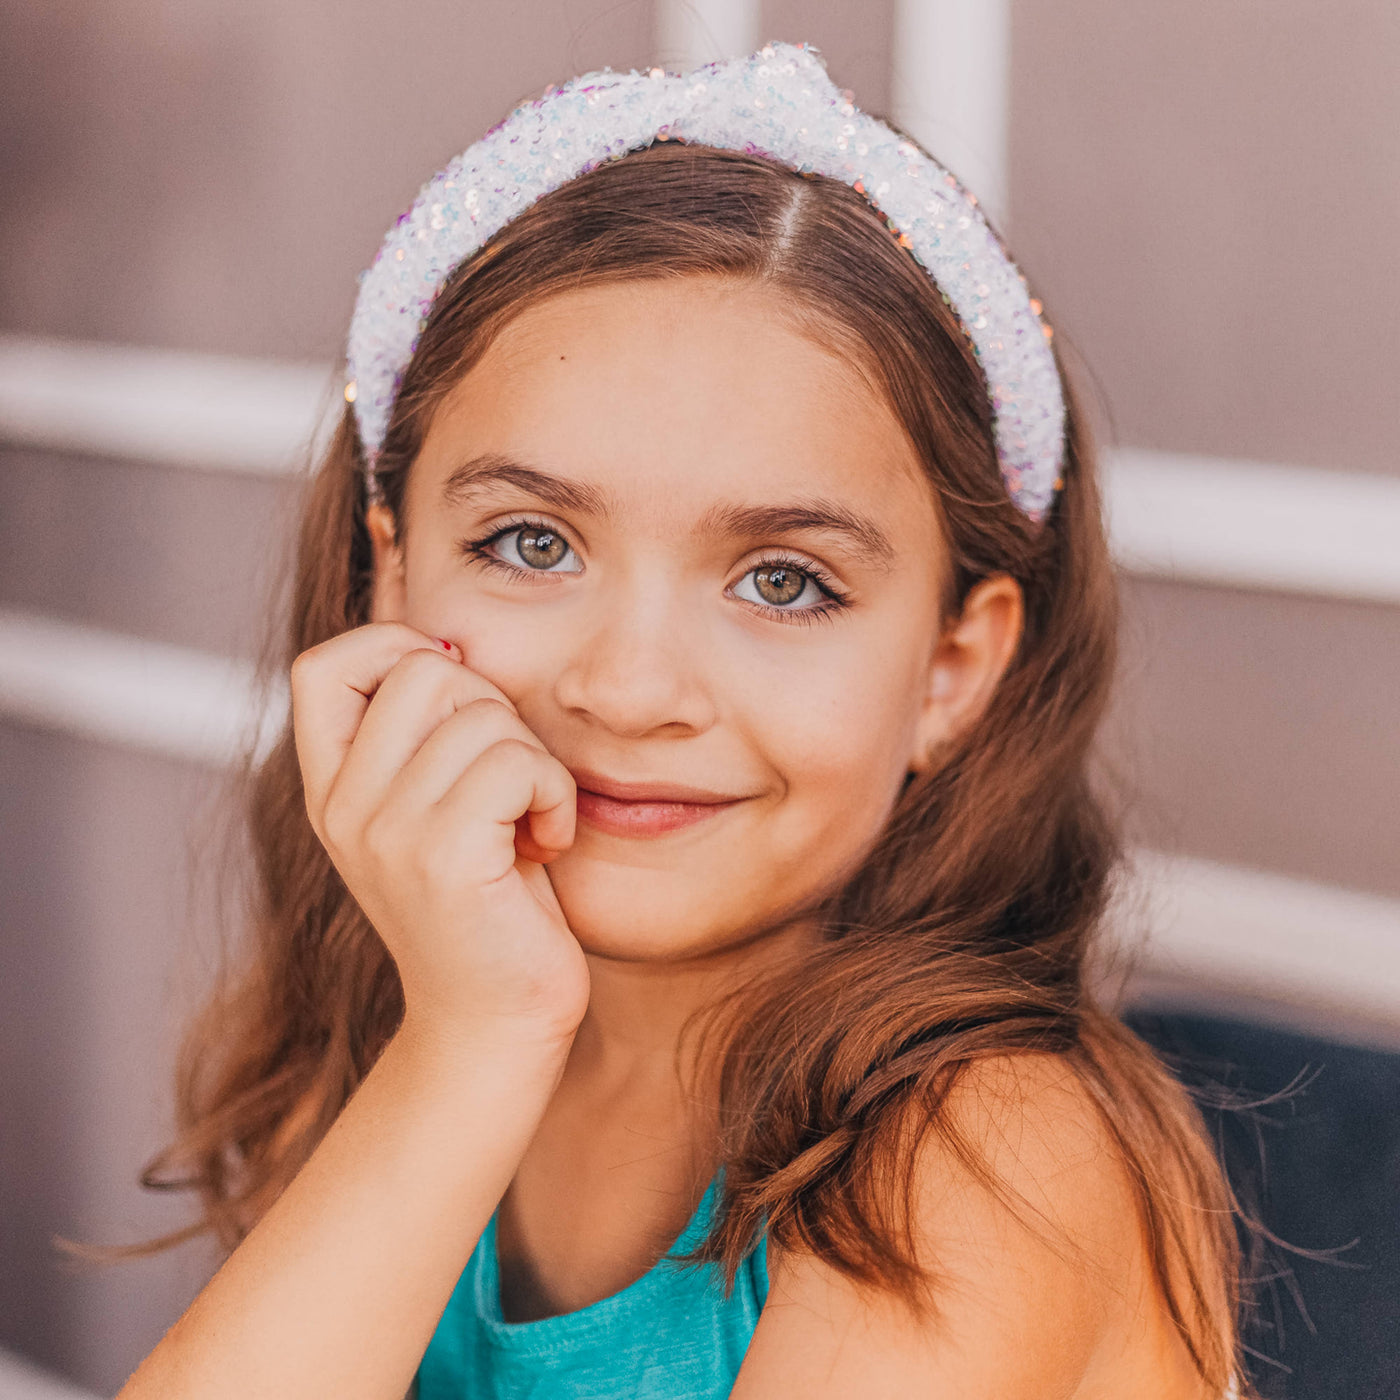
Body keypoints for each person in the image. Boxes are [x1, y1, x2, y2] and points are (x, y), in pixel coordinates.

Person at [105, 40, 1248, 1399]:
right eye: (531, 545)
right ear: (390, 575)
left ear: (952, 670)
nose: (631, 691)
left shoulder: (986, 1151)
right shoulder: (425, 1033)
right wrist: (472, 1043)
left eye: (784, 581)